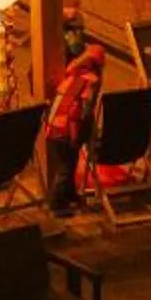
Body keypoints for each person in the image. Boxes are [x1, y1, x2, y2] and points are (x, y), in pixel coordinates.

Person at [43, 43, 107, 213]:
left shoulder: (72, 75)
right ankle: (56, 205)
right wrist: (88, 135)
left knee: (70, 163)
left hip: (53, 129)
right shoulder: (91, 81)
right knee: (65, 167)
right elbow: (85, 112)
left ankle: (70, 195)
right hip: (65, 131)